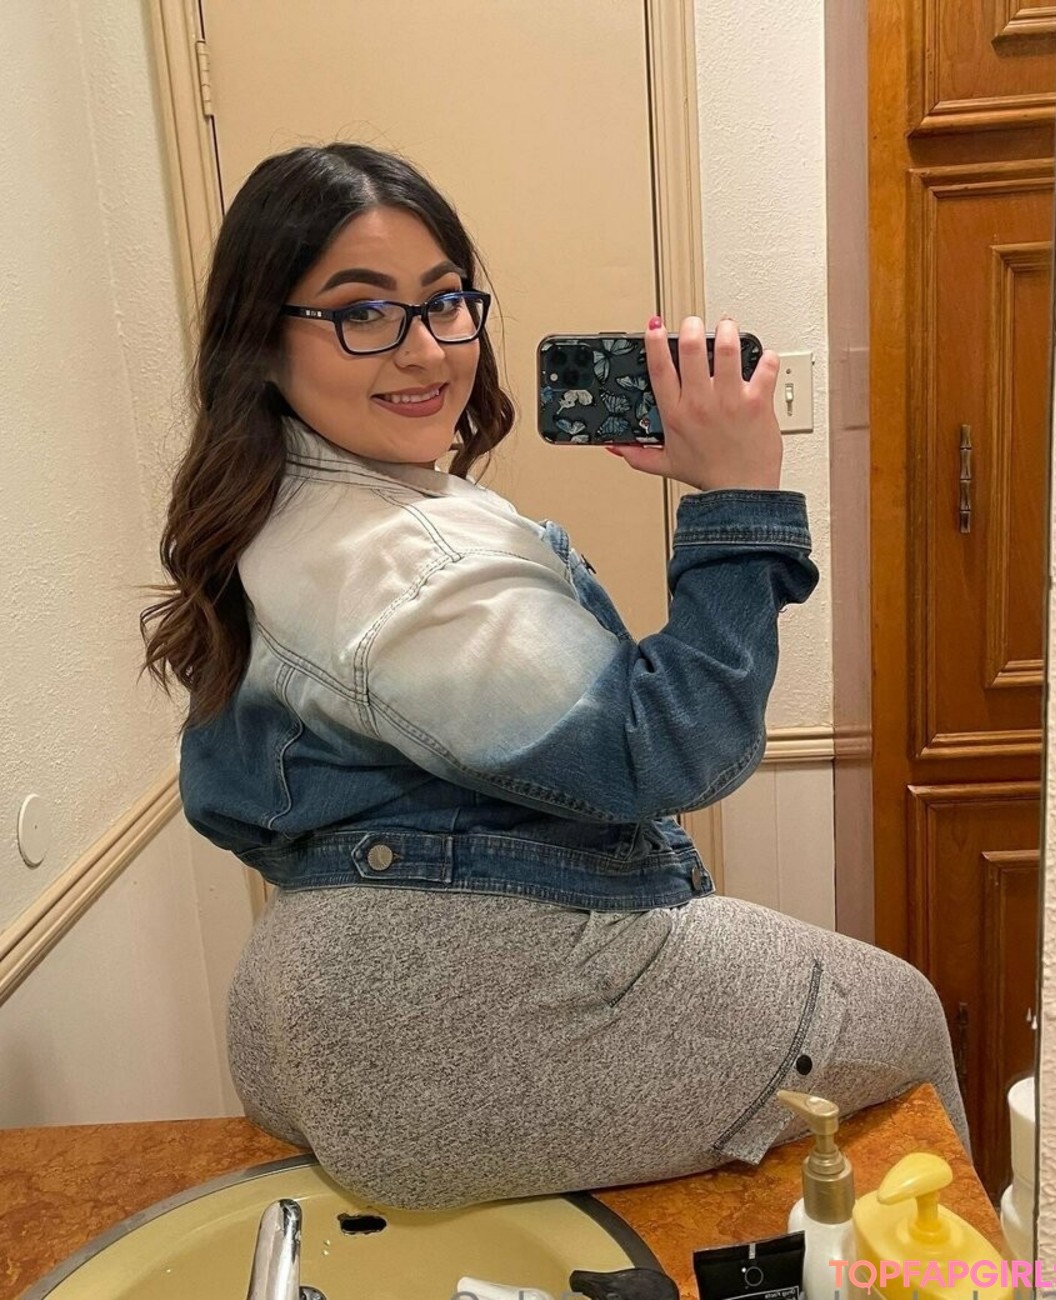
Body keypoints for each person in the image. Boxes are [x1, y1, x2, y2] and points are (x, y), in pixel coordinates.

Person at [141, 142, 969, 1211]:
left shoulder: (289, 509)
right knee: (902, 1014)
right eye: (362, 312)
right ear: (260, 339)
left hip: (326, 1009)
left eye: (446, 300)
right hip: (451, 1023)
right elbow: (664, 748)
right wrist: (737, 499)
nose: (426, 349)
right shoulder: (404, 564)